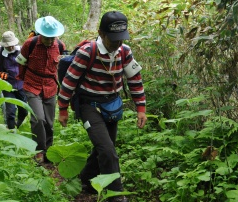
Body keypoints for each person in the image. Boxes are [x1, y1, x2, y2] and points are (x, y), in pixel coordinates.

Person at [58, 11, 147, 202]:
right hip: (88, 105)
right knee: (108, 151)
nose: (117, 43)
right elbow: (69, 82)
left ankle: (87, 179)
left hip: (112, 105)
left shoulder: (125, 51)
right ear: (101, 33)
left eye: (121, 39)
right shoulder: (87, 53)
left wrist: (141, 108)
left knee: (105, 148)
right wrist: (63, 109)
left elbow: (135, 80)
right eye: (113, 39)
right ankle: (116, 195)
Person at [16, 16, 66, 163]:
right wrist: (22, 80)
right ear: (40, 34)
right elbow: (21, 63)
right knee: (38, 118)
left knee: (49, 122)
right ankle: (39, 150)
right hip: (32, 84)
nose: (49, 41)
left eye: (52, 38)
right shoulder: (29, 44)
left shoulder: (60, 46)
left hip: (50, 85)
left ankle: (49, 150)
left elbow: (62, 66)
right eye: (46, 38)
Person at [0, 31, 28, 130]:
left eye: (12, 45)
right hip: (8, 86)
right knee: (10, 112)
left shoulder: (22, 50)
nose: (11, 47)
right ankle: (11, 132)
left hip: (21, 85)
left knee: (24, 110)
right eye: (8, 46)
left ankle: (17, 125)